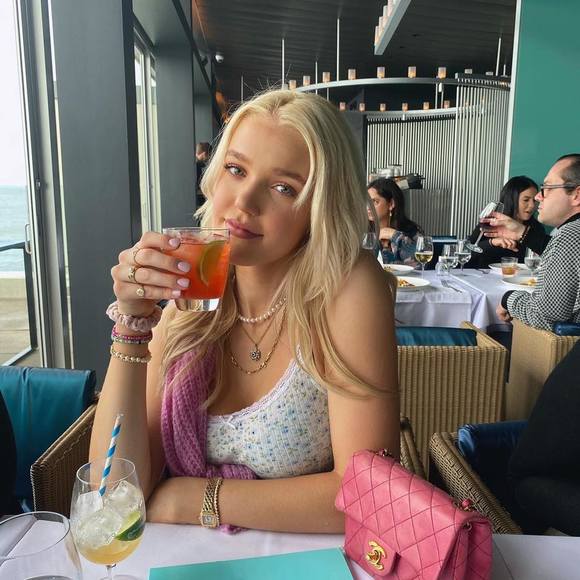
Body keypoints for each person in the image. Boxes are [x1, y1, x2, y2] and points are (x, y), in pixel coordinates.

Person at [92, 89, 399, 533]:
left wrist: (196, 498)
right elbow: (114, 492)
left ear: (319, 207)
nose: (244, 202)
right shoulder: (189, 302)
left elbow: (366, 494)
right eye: (236, 170)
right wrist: (132, 324)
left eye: (283, 187)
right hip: (193, 559)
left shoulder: (347, 287)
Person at [494, 154, 580, 330]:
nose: (538, 198)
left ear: (576, 195)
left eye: (546, 188)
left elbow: (543, 316)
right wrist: (521, 232)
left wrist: (508, 298)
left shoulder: (571, 234)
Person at [467, 176, 542, 268]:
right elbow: (466, 254)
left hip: (520, 277)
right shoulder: (490, 223)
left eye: (534, 200)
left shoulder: (536, 228)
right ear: (511, 200)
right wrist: (492, 243)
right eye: (526, 200)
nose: (532, 205)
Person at [367, 177, 422, 266]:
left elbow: (421, 265)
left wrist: (395, 235)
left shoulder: (412, 231)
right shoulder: (363, 232)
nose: (368, 207)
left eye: (375, 202)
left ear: (391, 204)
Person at [195, 142, 211, 209]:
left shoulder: (195, 164)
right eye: (209, 156)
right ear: (204, 154)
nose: (208, 159)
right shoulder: (197, 166)